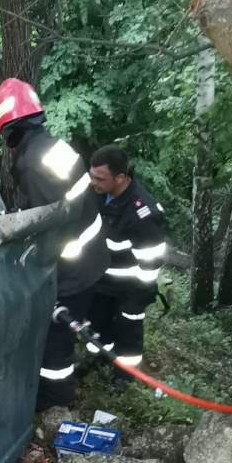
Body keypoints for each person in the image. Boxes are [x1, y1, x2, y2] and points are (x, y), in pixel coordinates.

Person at [0, 78, 109, 411]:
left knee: (55, 344)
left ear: (9, 127)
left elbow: (47, 225)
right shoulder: (54, 145)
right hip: (93, 254)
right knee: (65, 332)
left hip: (73, 267)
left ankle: (56, 405)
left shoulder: (28, 162)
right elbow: (58, 203)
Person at [87, 145, 166, 381]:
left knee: (127, 330)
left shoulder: (142, 213)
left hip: (132, 287)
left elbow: (152, 260)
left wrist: (138, 297)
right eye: (92, 176)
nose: (94, 182)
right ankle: (100, 357)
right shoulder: (100, 195)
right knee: (99, 323)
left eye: (100, 178)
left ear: (120, 178)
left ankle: (125, 373)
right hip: (103, 280)